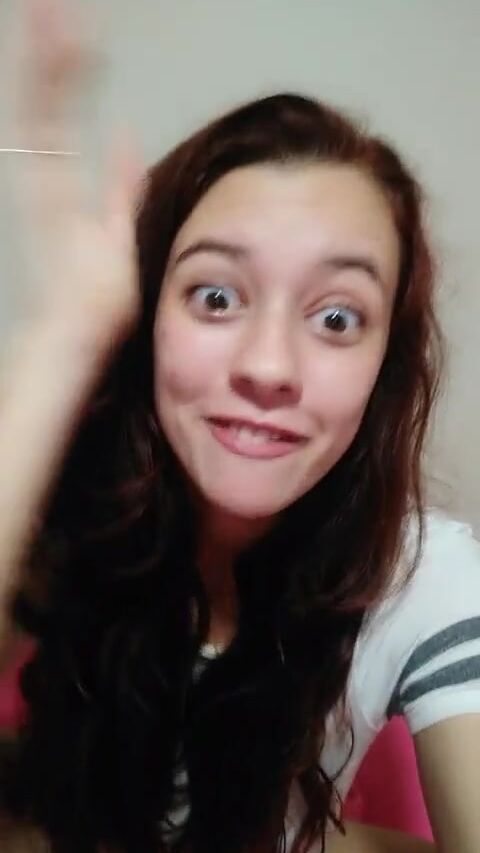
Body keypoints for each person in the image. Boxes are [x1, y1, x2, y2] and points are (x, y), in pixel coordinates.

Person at [0, 1, 479, 851]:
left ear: (384, 366)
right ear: (147, 319)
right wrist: (64, 337)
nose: (268, 365)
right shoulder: (62, 512)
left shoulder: (424, 579)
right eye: (216, 296)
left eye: (337, 318)